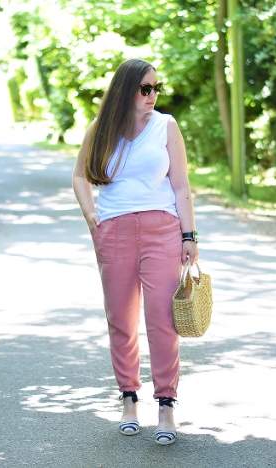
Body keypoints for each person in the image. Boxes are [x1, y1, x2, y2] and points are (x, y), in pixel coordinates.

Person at [72, 58, 199, 446]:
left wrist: (189, 235)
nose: (152, 95)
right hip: (114, 231)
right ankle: (129, 400)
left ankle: (166, 405)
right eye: (146, 88)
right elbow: (79, 175)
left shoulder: (166, 126)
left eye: (157, 88)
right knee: (121, 321)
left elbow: (180, 185)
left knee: (163, 319)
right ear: (126, 89)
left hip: (162, 229)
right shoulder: (101, 129)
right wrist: (92, 216)